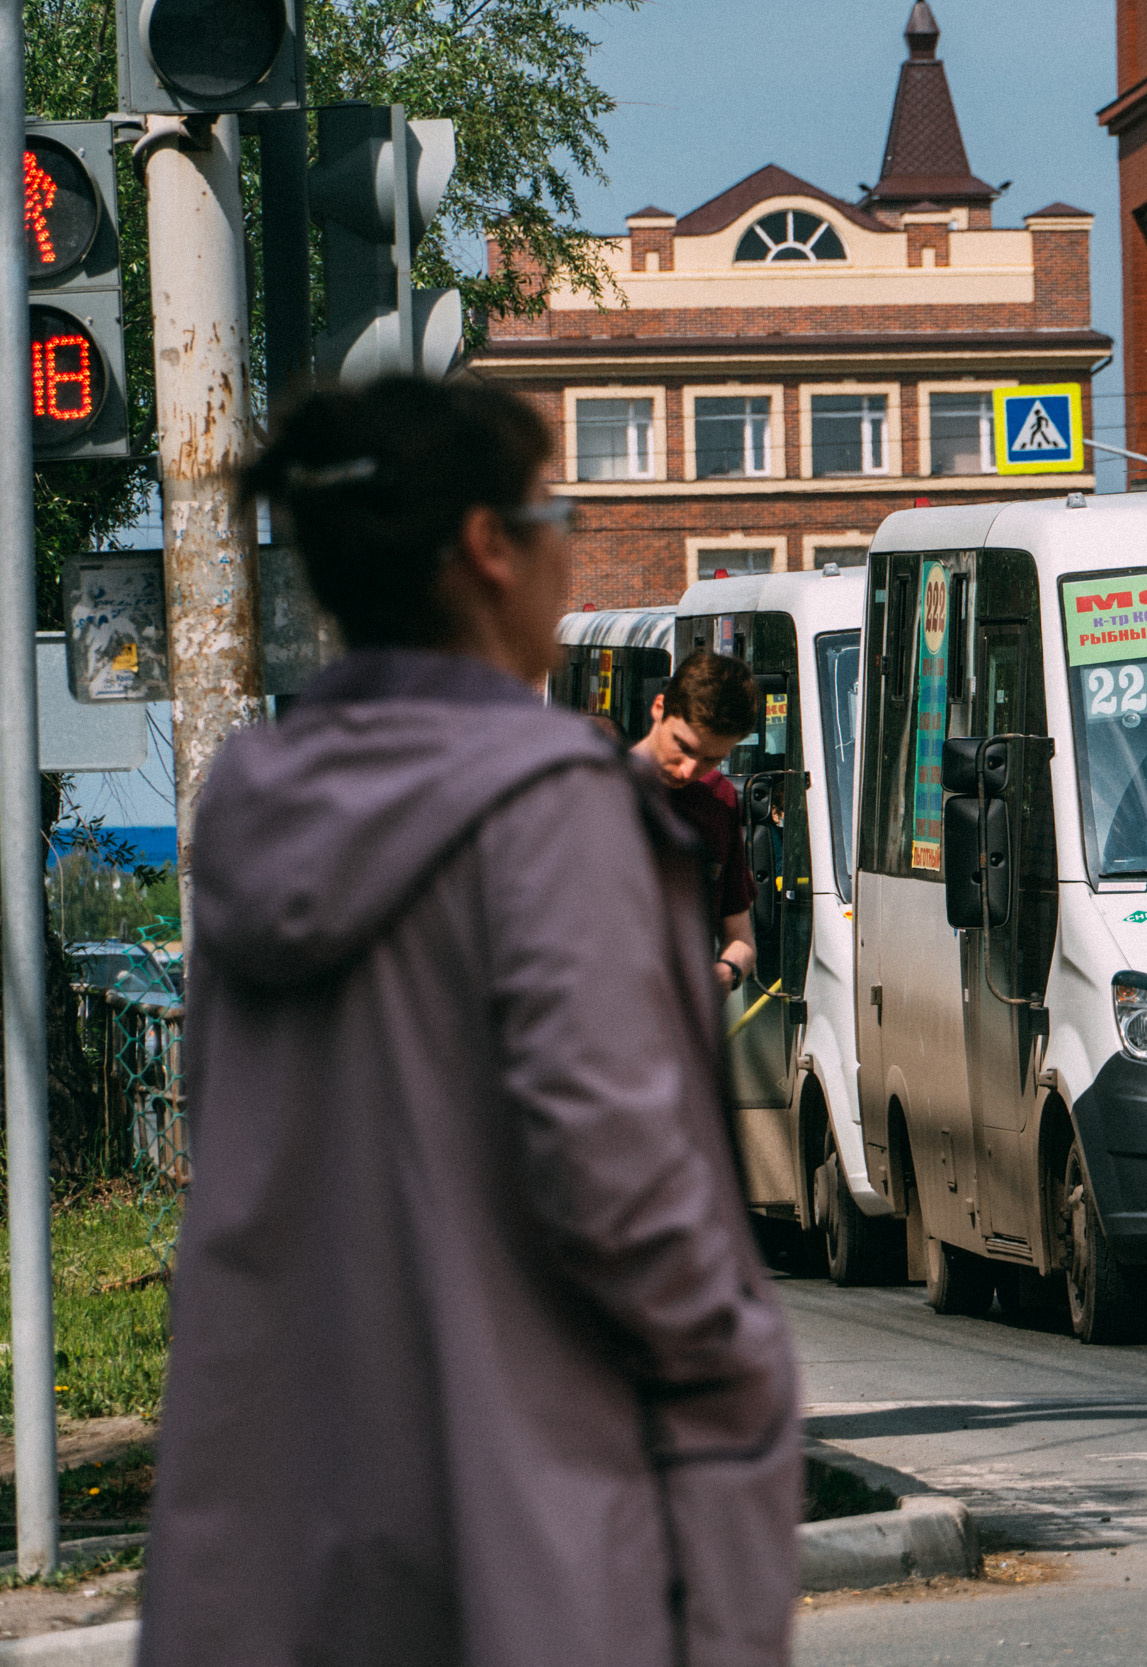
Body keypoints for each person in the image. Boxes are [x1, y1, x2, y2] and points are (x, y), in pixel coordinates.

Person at [140, 377, 799, 1667]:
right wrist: (746, 1384)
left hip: (281, 1528)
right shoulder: (554, 815)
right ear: (490, 549)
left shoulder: (254, 812)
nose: (569, 538)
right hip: (527, 1529)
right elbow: (630, 1200)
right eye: (555, 507)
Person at [631, 650, 761, 990]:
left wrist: (727, 973)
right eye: (683, 747)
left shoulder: (719, 798)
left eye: (711, 759)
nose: (690, 769)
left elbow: (741, 940)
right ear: (659, 708)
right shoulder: (595, 788)